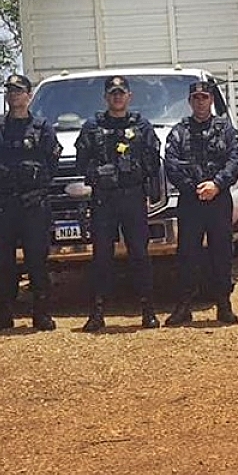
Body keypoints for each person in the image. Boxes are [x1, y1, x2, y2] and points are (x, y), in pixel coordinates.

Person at [75, 75, 163, 332]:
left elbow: (153, 160)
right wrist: (98, 172)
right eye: (112, 93)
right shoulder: (92, 127)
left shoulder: (142, 126)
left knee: (140, 254)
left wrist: (133, 170)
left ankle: (148, 311)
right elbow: (81, 162)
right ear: (106, 97)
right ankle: (97, 312)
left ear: (129, 96)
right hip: (104, 199)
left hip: (132, 197)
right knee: (101, 256)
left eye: (121, 92)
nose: (117, 97)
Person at [0, 73, 62, 333]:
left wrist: (36, 186)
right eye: (10, 91)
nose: (14, 95)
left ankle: (42, 315)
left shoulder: (42, 127)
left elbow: (52, 162)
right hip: (4, 205)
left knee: (37, 260)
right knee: (2, 262)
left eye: (19, 90)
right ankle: (2, 315)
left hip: (33, 204)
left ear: (29, 95)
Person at [163, 80, 238, 327]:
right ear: (189, 101)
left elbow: (234, 159)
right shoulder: (179, 131)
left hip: (219, 200)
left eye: (204, 98)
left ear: (211, 100)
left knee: (222, 253)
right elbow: (171, 164)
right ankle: (184, 306)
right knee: (187, 254)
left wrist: (216, 185)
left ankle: (224, 305)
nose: (200, 102)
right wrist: (193, 188)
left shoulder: (226, 129)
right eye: (196, 98)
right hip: (191, 201)